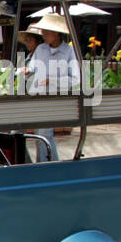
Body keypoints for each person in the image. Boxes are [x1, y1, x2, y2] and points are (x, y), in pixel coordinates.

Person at [23, 13, 79, 162]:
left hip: (54, 98)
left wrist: (52, 81)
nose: (43, 34)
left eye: (46, 31)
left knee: (45, 133)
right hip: (36, 97)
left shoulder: (68, 51)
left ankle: (48, 166)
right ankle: (36, 164)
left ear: (55, 33)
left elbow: (75, 79)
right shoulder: (40, 49)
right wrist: (27, 71)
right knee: (29, 132)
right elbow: (32, 69)